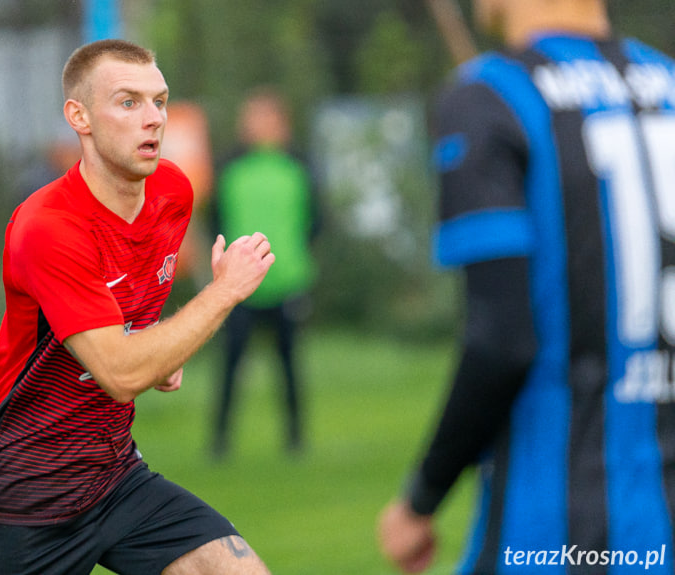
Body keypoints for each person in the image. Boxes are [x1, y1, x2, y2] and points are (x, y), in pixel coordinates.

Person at [0, 40, 275, 575]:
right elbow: (121, 372)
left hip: (114, 475)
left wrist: (162, 353)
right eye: (128, 103)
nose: (153, 119)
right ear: (79, 117)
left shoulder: (172, 191)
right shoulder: (48, 227)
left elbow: (133, 318)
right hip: (24, 492)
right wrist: (223, 291)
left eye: (160, 101)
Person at [378, 1, 675, 573]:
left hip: (555, 530)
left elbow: (502, 342)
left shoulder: (489, 94)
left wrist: (421, 499)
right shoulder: (667, 81)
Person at [210, 88, 318, 458]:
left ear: (281, 123)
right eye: (251, 118)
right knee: (230, 363)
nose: (257, 125)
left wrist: (297, 260)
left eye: (265, 117)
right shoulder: (230, 169)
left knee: (288, 365)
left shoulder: (298, 167)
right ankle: (220, 440)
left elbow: (314, 220)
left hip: (286, 281)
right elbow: (216, 220)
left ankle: (295, 439)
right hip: (239, 286)